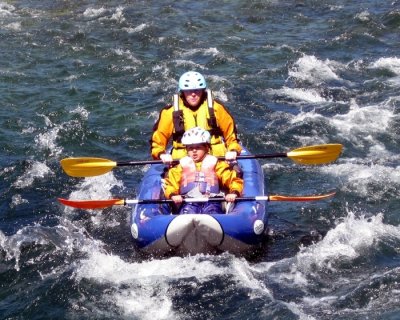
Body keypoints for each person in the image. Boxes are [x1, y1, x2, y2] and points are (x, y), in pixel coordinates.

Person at [150, 71, 242, 164]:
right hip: (183, 163)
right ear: (182, 92)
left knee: (233, 175)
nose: (193, 94)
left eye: (197, 90)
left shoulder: (216, 108)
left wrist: (233, 150)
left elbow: (231, 136)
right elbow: (158, 141)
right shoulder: (170, 112)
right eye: (188, 91)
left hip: (215, 160)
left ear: (203, 91)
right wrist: (161, 154)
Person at [162, 127, 243, 215]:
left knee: (213, 211)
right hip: (188, 201)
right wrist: (173, 195)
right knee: (187, 212)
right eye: (190, 148)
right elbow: (171, 184)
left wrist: (234, 192)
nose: (194, 151)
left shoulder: (217, 164)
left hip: (212, 200)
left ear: (207, 148)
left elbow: (232, 179)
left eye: (198, 147)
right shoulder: (180, 167)